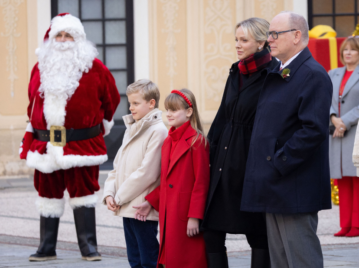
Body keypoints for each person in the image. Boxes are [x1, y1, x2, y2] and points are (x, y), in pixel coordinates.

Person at [19, 13, 120, 261]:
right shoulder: (39, 68)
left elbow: (112, 100)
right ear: (51, 39)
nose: (63, 40)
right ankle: (46, 247)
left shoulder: (96, 69)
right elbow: (32, 102)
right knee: (47, 196)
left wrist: (101, 124)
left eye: (69, 35)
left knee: (84, 194)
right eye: (59, 35)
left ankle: (88, 246)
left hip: (82, 143)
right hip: (46, 144)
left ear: (79, 40)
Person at [241, 12, 332, 268]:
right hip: (274, 184)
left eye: (275, 34)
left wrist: (278, 161)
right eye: (269, 34)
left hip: (294, 185)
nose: (269, 40)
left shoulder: (312, 74)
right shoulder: (279, 71)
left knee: (301, 260)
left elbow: (313, 130)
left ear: (296, 35)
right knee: (280, 261)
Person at [201, 18, 277, 268]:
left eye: (243, 40)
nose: (238, 44)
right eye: (236, 39)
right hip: (223, 159)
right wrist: (206, 151)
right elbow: (223, 114)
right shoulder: (236, 70)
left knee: (257, 232)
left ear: (261, 42)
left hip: (250, 162)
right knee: (211, 228)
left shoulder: (274, 73)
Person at [133, 89, 210, 268]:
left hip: (185, 214)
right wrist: (151, 202)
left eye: (174, 110)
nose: (168, 114)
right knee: (171, 260)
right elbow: (168, 182)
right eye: (167, 109)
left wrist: (194, 216)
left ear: (189, 112)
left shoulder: (196, 142)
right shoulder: (168, 141)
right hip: (170, 214)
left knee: (189, 260)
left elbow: (201, 183)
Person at [102, 79, 168, 267]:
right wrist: (109, 194)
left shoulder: (158, 131)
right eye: (130, 103)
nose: (130, 107)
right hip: (126, 206)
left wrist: (120, 197)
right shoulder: (131, 128)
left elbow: (147, 173)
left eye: (136, 103)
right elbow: (117, 165)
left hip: (141, 208)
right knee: (134, 259)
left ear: (151, 103)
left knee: (148, 259)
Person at [330, 37, 359, 237]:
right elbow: (323, 98)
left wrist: (344, 121)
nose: (348, 53)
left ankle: (356, 225)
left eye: (353, 50)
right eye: (345, 50)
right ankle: (345, 224)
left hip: (355, 132)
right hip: (336, 132)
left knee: (356, 179)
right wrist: (333, 119)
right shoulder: (333, 74)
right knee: (342, 179)